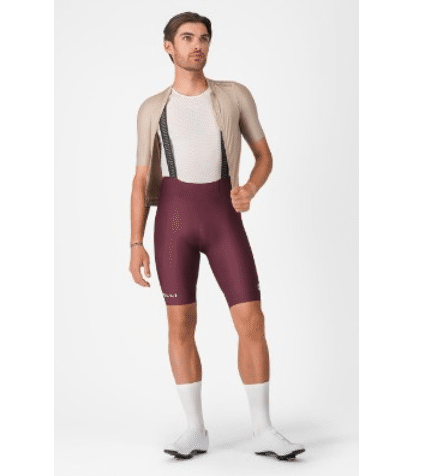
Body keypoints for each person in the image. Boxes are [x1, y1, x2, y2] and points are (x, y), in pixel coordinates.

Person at [129, 11, 306, 461]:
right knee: (180, 324)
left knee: (251, 319)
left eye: (204, 38)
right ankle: (194, 429)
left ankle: (263, 429)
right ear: (168, 47)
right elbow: (141, 179)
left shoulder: (234, 95)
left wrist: (250, 189)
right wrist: (135, 243)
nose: (197, 46)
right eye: (187, 38)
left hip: (223, 217)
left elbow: (264, 155)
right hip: (172, 222)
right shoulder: (153, 108)